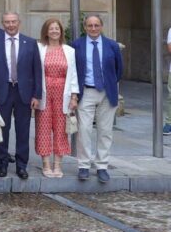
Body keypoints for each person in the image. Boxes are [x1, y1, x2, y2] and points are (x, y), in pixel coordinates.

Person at [0, 12, 41, 180]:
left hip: (24, 93)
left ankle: (21, 166)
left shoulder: (30, 43)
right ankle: (2, 164)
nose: (10, 25)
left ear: (19, 22)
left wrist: (36, 95)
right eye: (7, 22)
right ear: (3, 24)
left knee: (23, 131)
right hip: (2, 92)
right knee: (2, 129)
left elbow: (37, 71)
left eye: (13, 22)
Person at [71, 14, 123, 183]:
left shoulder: (112, 45)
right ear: (85, 27)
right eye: (90, 26)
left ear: (101, 26)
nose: (93, 28)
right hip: (86, 92)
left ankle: (102, 166)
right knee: (84, 130)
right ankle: (84, 165)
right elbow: (73, 70)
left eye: (96, 25)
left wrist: (109, 84)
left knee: (105, 131)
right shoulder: (77, 45)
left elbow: (119, 70)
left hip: (107, 93)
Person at [35, 18, 78, 178]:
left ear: (61, 32)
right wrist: (35, 94)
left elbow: (73, 74)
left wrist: (74, 96)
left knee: (61, 129)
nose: (54, 31)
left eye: (57, 29)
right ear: (46, 31)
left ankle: (58, 165)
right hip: (44, 93)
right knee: (43, 128)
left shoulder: (69, 50)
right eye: (51, 29)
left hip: (63, 93)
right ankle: (46, 164)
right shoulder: (39, 48)